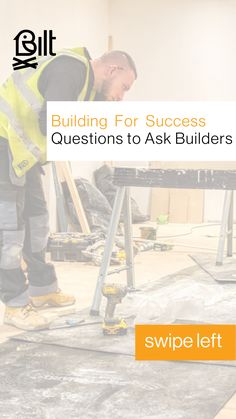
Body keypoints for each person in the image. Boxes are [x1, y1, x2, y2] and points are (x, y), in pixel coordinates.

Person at [0, 47, 137, 330]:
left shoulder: (86, 85)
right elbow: (52, 122)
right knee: (9, 231)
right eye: (124, 87)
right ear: (112, 70)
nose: (121, 96)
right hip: (4, 145)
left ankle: (42, 288)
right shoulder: (71, 69)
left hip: (24, 154)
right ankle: (14, 305)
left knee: (37, 223)